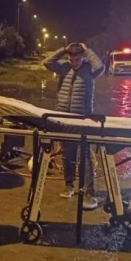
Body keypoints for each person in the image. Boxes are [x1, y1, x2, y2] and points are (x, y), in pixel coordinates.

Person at [42, 42, 105, 209]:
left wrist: (87, 49)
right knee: (67, 155)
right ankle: (69, 186)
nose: (74, 62)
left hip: (82, 119)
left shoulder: (89, 69)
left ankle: (89, 193)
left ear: (82, 57)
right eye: (71, 59)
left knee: (85, 157)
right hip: (64, 118)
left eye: (77, 59)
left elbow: (100, 67)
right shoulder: (64, 68)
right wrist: (63, 49)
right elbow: (47, 62)